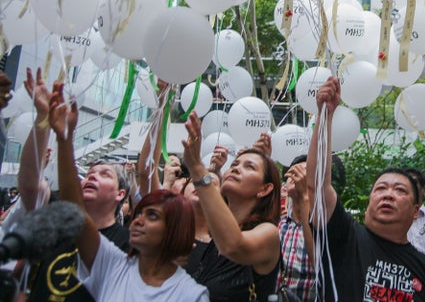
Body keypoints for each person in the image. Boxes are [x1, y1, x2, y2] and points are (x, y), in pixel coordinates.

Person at [307, 77, 425, 302]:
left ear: (415, 210)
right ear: (368, 202)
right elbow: (317, 184)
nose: (388, 194)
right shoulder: (345, 237)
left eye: (400, 190)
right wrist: (325, 116)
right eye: (380, 188)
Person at [48, 81, 208, 301]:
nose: (136, 221)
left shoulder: (192, 295)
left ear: (177, 229)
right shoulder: (113, 264)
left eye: (152, 216)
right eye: (139, 213)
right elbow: (74, 211)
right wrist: (64, 138)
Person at [14, 69, 131, 301]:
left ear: (120, 194)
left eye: (104, 174)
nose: (92, 177)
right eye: (90, 173)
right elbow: (28, 180)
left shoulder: (126, 243)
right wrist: (43, 118)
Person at [182, 111, 282, 301]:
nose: (236, 167)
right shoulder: (214, 240)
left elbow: (234, 245)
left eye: (249, 167)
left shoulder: (268, 234)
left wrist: (197, 168)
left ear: (265, 189)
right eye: (235, 163)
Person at [277, 155, 316, 301]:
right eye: (293, 171)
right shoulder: (278, 225)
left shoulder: (323, 230)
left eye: (304, 171)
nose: (297, 175)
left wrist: (305, 194)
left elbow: (320, 264)